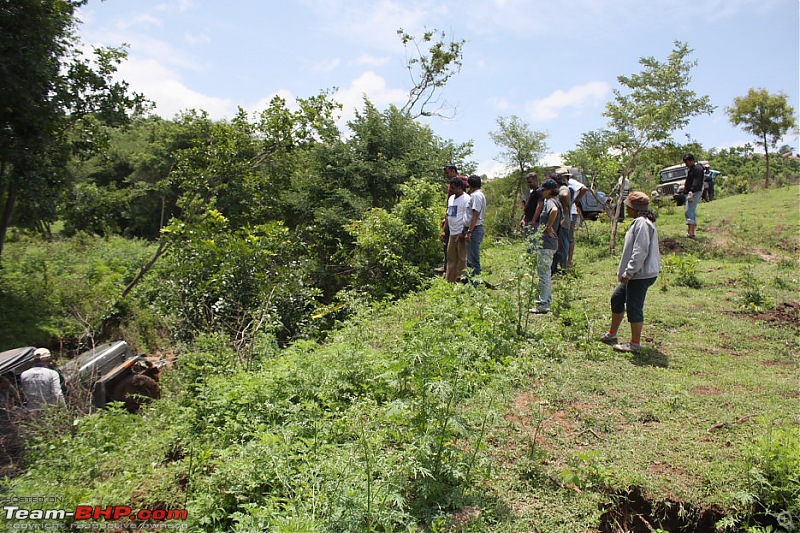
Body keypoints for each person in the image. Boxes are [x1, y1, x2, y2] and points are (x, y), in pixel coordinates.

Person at [600, 192, 661, 353]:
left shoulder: (642, 224)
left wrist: (629, 271)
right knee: (617, 299)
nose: (626, 210)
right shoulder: (639, 223)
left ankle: (635, 344)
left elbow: (640, 251)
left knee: (634, 307)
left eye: (628, 207)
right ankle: (612, 334)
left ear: (635, 208)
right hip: (636, 273)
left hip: (640, 274)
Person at [530, 178, 562, 314]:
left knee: (543, 274)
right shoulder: (557, 202)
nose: (542, 192)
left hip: (547, 243)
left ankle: (543, 304)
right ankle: (546, 300)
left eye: (544, 190)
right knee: (546, 273)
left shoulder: (550, 202)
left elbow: (554, 211)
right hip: (551, 243)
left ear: (549, 190)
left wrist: (548, 226)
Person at [443, 177, 471, 283]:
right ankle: (450, 279)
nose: (452, 190)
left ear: (460, 187)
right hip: (452, 232)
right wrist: (444, 229)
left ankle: (461, 279)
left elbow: (468, 217)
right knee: (451, 257)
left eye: (453, 188)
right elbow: (448, 214)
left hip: (460, 232)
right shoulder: (451, 199)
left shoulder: (466, 199)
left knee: (462, 258)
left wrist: (464, 231)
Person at [465, 175, 486, 278]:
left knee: (473, 258)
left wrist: (469, 231)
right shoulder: (475, 195)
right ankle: (470, 280)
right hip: (473, 229)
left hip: (474, 229)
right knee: (470, 258)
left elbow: (475, 214)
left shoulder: (476, 196)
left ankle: (476, 283)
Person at [551, 173, 572, 274]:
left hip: (563, 221)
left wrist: (564, 208)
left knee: (563, 244)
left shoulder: (563, 188)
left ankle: (563, 268)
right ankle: (556, 267)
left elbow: (564, 195)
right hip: (561, 220)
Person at [566, 174, 588, 268]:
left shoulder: (571, 182)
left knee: (569, 237)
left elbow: (584, 188)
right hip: (565, 212)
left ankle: (569, 261)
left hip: (571, 212)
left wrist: (576, 200)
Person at [682, 154, 704, 238]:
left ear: (692, 160)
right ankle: (691, 232)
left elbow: (696, 181)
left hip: (694, 192)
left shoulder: (697, 168)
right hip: (692, 192)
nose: (686, 164)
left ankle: (691, 233)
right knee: (691, 211)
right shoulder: (692, 169)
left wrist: (692, 191)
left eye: (687, 162)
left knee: (689, 211)